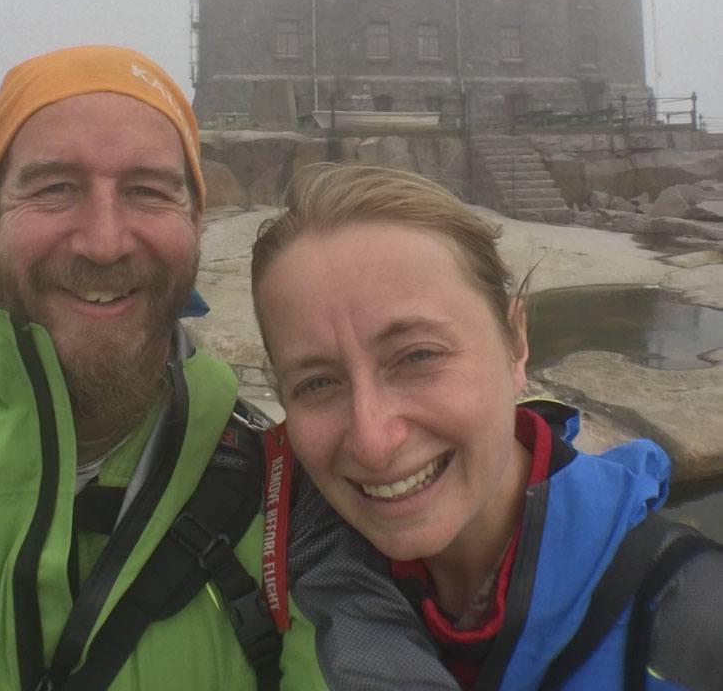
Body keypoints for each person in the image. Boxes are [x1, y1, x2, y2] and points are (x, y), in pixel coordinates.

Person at [0, 45, 341, 690]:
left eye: (148, 192)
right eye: (54, 188)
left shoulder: (296, 501)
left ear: (196, 225)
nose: (104, 242)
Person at [251, 164, 723, 691]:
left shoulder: (690, 619)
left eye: (418, 356)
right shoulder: (275, 553)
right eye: (317, 384)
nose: (372, 441)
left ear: (516, 342)